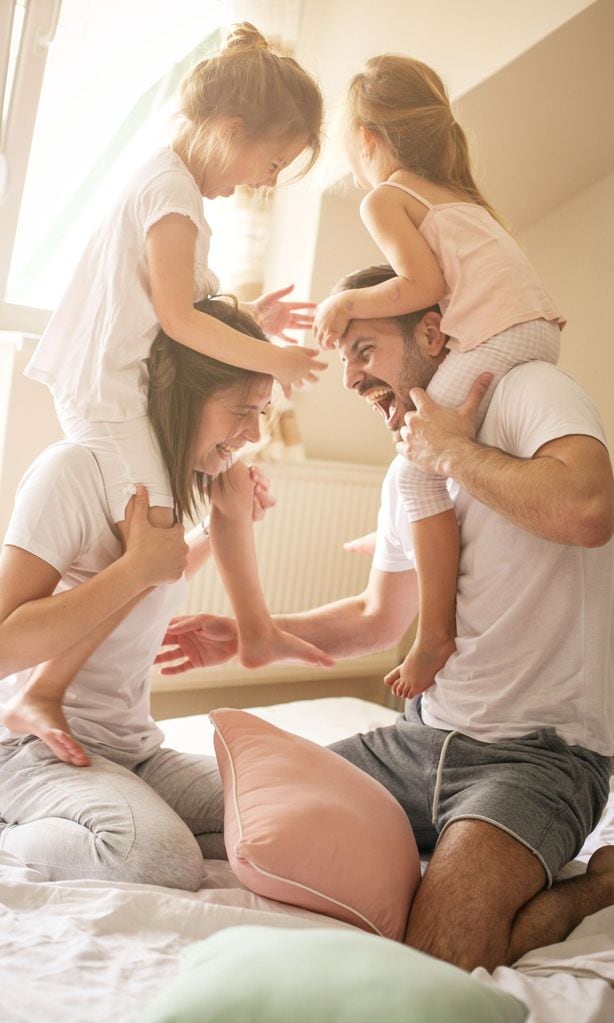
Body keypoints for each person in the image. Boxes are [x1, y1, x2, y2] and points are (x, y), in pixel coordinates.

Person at [163, 266, 614, 971]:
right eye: (343, 358)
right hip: (416, 746)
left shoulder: (530, 392)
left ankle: (596, 887)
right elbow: (379, 620)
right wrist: (254, 633)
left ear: (430, 334)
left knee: (442, 952)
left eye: (364, 350)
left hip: (535, 758)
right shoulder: (409, 467)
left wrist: (454, 453)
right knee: (216, 819)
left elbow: (589, 510)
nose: (350, 378)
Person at [7, 22, 328, 754]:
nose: (266, 180)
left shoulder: (172, 186)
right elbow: (180, 318)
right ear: (232, 128)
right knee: (148, 546)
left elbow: (185, 299)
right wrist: (273, 357)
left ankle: (256, 626)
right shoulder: (173, 193)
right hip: (109, 392)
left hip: (119, 384)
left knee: (227, 480)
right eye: (270, 161)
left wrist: (256, 321)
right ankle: (41, 692)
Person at [0, 297, 333, 883]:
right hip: (30, 749)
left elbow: (159, 569)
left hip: (133, 750)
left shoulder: (169, 487)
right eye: (241, 411)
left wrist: (225, 525)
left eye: (262, 412)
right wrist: (132, 571)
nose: (253, 433)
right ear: (183, 398)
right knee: (153, 857)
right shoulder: (72, 472)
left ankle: (116, 810)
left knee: (302, 817)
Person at [313, 54, 563, 702]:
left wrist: (346, 305)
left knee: (415, 464)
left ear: (367, 139)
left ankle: (434, 634)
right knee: (442, 453)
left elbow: (421, 285)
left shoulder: (386, 198)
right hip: (532, 327)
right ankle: (409, 537)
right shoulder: (460, 195)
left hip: (503, 335)